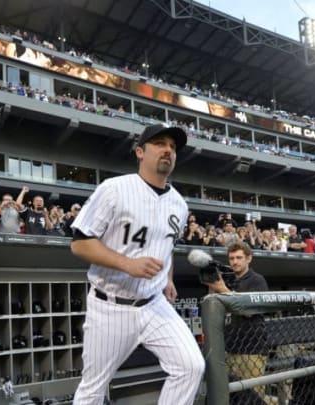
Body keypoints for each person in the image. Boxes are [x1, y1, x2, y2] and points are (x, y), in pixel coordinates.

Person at [70, 124, 204, 404]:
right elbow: (80, 244)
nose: (168, 149)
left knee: (191, 366)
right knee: (92, 390)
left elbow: (166, 246)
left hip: (154, 304)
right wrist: (127, 264)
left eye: (173, 146)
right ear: (140, 152)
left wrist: (168, 278)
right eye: (159, 143)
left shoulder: (179, 204)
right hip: (110, 306)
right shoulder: (114, 189)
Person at [204, 242, 270, 401]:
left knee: (253, 397)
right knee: (229, 397)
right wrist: (213, 286)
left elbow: (247, 310)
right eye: (231, 258)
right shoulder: (228, 280)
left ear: (249, 259)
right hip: (228, 348)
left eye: (239, 257)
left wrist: (222, 289)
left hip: (251, 350)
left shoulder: (257, 280)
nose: (235, 262)